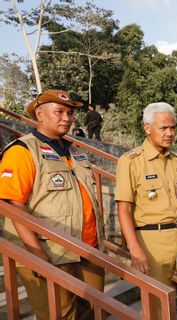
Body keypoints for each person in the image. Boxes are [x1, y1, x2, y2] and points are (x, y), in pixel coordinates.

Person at [0, 89, 105, 320]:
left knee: (94, 313)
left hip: (89, 251)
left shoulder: (74, 151)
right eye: (59, 112)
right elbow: (12, 204)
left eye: (69, 113)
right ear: (40, 114)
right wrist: (36, 253)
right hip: (51, 253)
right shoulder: (23, 151)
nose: (66, 118)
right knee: (59, 316)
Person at [115, 102, 177, 319]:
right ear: (148, 128)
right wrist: (135, 249)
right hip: (152, 241)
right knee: (158, 306)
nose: (169, 133)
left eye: (172, 128)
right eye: (163, 128)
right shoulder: (130, 161)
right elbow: (124, 209)